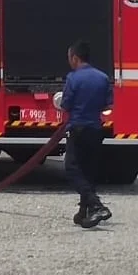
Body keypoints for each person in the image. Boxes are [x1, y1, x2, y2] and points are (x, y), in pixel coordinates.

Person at [59, 40, 113, 228]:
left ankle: (97, 206)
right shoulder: (103, 77)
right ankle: (85, 212)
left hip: (78, 128)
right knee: (88, 171)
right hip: (96, 129)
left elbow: (65, 104)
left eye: (69, 58)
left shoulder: (73, 78)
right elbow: (108, 104)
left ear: (75, 57)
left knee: (72, 169)